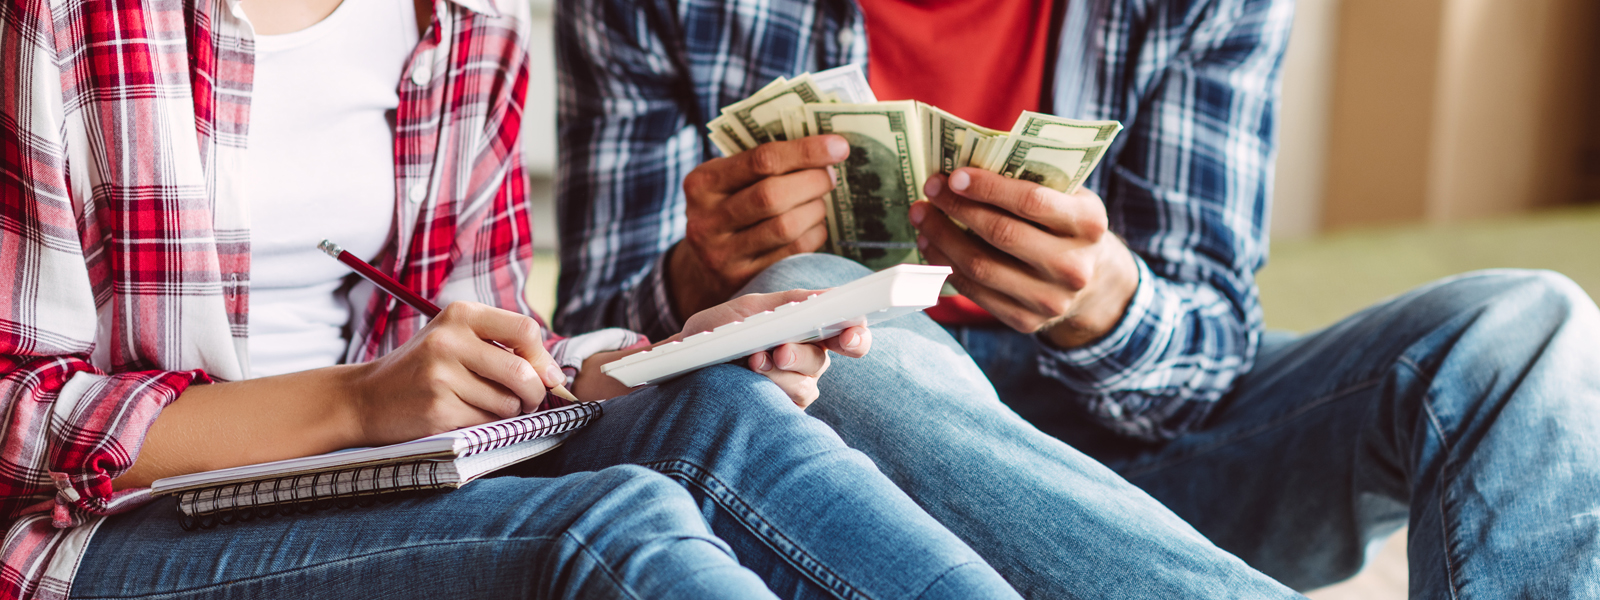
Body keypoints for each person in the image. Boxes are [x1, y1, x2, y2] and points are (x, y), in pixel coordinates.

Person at [554, 0, 1600, 597]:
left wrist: (1103, 303)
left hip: (1150, 451)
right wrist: (704, 276)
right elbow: (597, 368)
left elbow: (1208, 358)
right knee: (813, 303)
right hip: (864, 464)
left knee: (1526, 327)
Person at [0, 0, 1032, 598]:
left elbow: (484, 351)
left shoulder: (469, 17)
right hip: (101, 534)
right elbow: (13, 408)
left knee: (722, 408)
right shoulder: (54, 18)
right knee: (612, 526)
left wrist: (655, 357)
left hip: (385, 476)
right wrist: (359, 403)